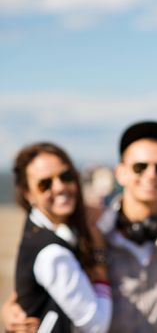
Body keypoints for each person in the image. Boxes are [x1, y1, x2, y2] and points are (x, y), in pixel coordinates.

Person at [2, 121, 157, 333]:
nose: (151, 175)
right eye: (140, 167)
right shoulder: (92, 224)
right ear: (120, 173)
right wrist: (13, 307)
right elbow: (48, 270)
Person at [10, 142, 112, 332]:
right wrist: (100, 260)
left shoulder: (41, 227)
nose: (60, 187)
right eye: (45, 184)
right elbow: (96, 324)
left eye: (66, 176)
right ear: (28, 194)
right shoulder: (52, 253)